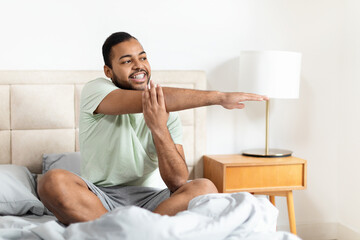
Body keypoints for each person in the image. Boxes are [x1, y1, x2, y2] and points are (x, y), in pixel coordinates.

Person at [37, 32, 268, 225]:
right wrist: (219, 97)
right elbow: (152, 99)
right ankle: (134, 231)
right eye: (127, 61)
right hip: (100, 197)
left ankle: (123, 231)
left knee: (204, 187)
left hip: (155, 201)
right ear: (109, 71)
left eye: (143, 57)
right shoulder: (95, 90)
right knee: (51, 181)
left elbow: (178, 182)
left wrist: (159, 127)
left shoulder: (169, 112)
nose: (139, 66)